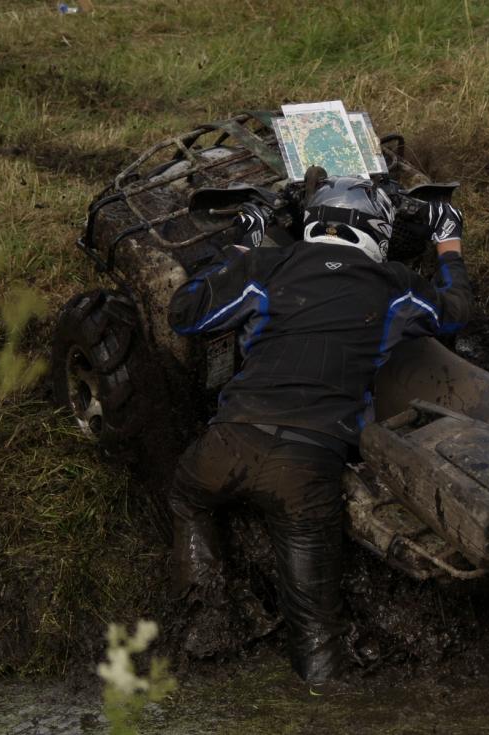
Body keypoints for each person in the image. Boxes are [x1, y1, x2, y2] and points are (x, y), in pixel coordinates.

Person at [166, 176, 473, 687]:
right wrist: (448, 242)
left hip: (227, 443)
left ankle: (209, 618)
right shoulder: (395, 284)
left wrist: (241, 243)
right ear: (377, 232)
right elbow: (456, 313)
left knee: (186, 497)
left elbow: (184, 313)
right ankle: (323, 698)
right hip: (307, 467)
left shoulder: (266, 266)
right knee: (314, 631)